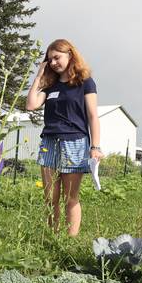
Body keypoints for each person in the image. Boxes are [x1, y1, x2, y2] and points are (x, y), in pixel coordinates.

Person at [25, 39, 101, 236]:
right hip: (50, 142)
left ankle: (70, 240)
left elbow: (93, 116)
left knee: (70, 197)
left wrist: (95, 146)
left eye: (56, 57)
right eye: (49, 60)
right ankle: (53, 237)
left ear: (70, 55)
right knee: (50, 197)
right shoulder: (51, 86)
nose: (53, 63)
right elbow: (31, 105)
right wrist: (39, 76)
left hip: (75, 142)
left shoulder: (85, 82)